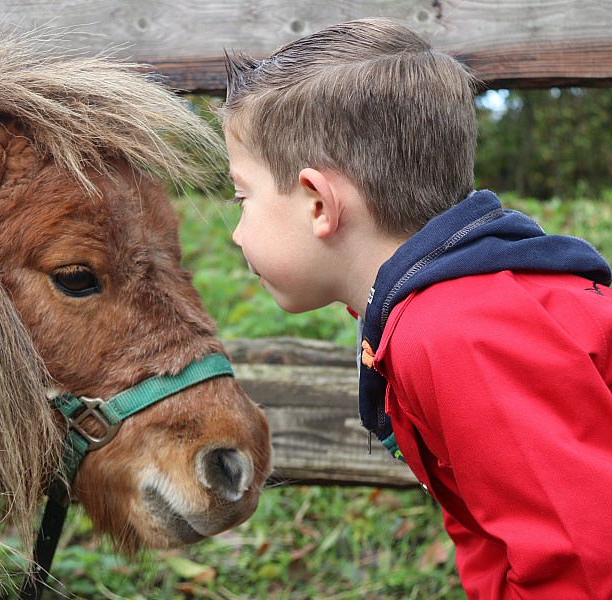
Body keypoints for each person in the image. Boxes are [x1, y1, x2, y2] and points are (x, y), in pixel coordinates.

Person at [220, 17, 612, 599]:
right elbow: (484, 518)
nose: (235, 233)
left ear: (318, 203)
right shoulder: (428, 313)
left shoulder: (456, 332)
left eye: (242, 197)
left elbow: (582, 564)